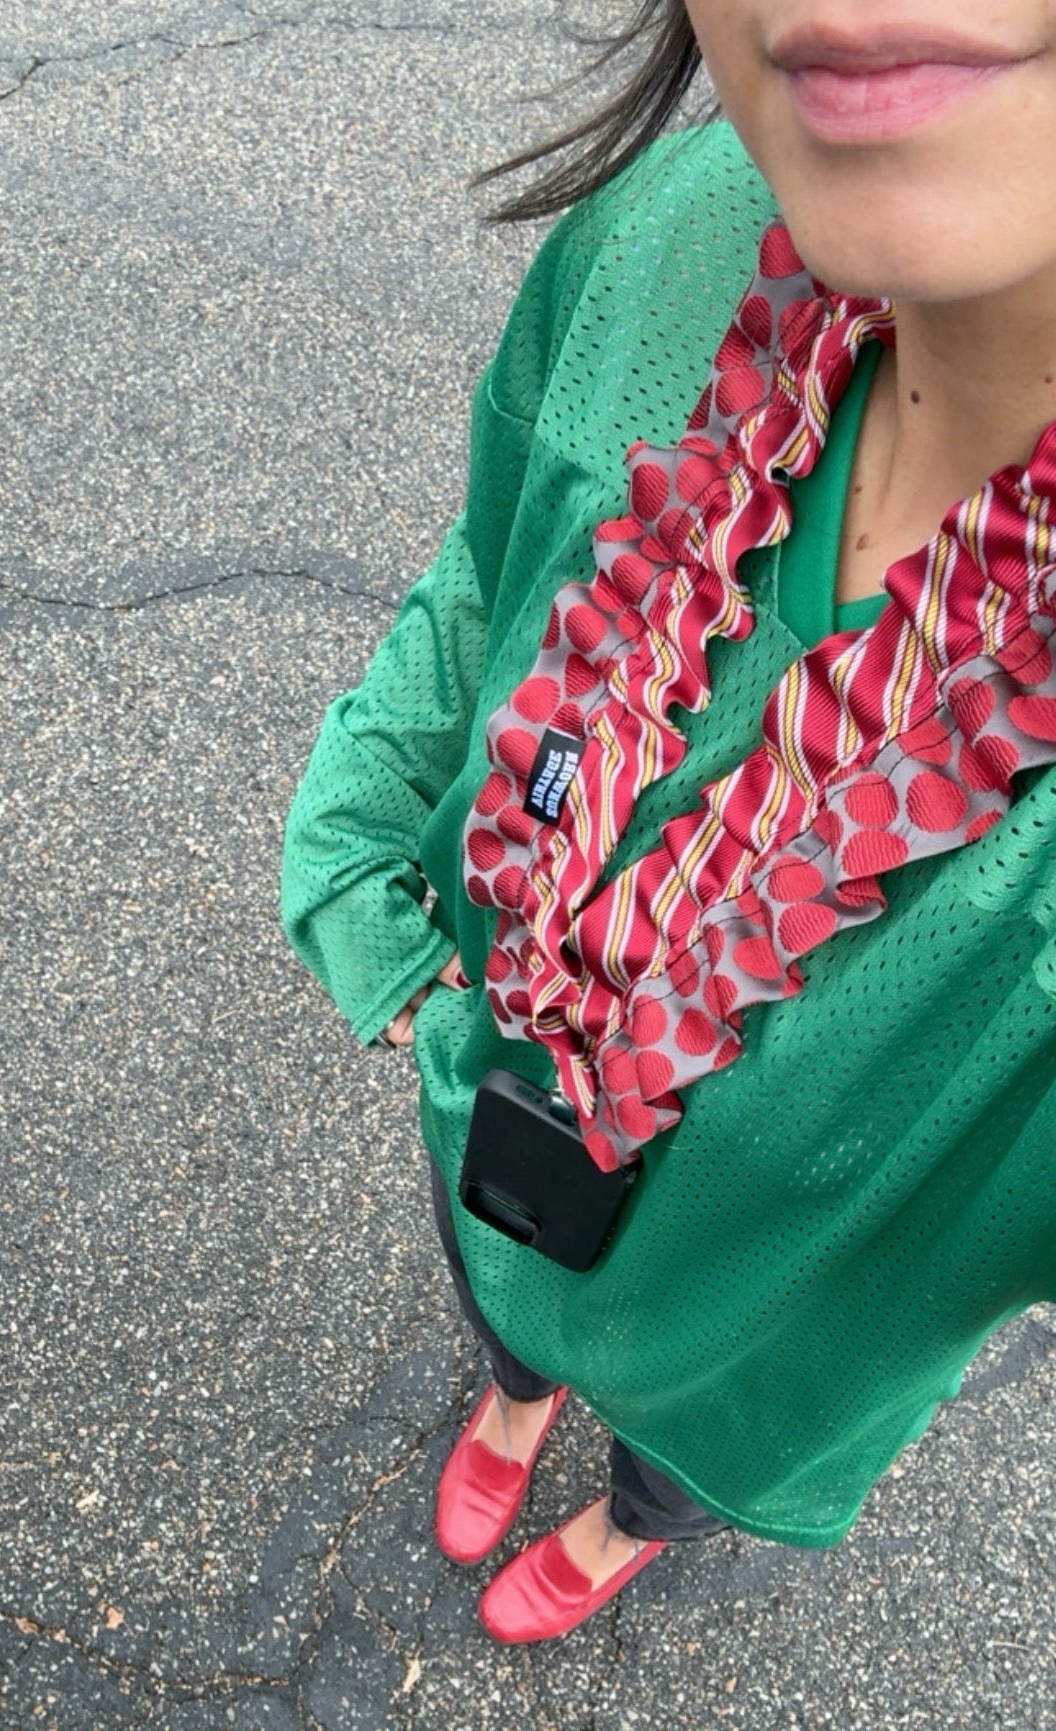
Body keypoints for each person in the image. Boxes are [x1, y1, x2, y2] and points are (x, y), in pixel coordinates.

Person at [281, 0, 1056, 1644]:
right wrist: (359, 853)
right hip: (495, 1116)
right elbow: (496, 562)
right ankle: (513, 1392)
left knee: (678, 1463)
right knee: (503, 1291)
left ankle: (625, 1524)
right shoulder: (678, 231)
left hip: (757, 1355)